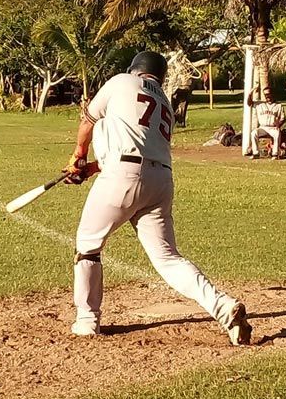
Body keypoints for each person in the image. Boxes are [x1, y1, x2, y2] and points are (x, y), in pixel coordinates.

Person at [63, 51, 252, 346]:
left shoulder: (121, 81)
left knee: (88, 246)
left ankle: (87, 320)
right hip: (160, 180)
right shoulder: (164, 101)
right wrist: (91, 168)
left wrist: (78, 155)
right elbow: (140, 149)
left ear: (135, 68)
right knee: (168, 258)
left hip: (121, 177)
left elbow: (88, 122)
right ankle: (222, 305)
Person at [246, 86, 286, 160]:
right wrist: (250, 93)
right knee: (254, 133)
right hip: (262, 127)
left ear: (272, 94)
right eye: (265, 95)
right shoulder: (260, 104)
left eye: (268, 94)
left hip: (272, 127)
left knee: (277, 133)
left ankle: (275, 154)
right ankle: (255, 153)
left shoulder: (278, 105)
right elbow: (249, 103)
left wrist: (278, 125)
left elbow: (283, 118)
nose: (267, 96)